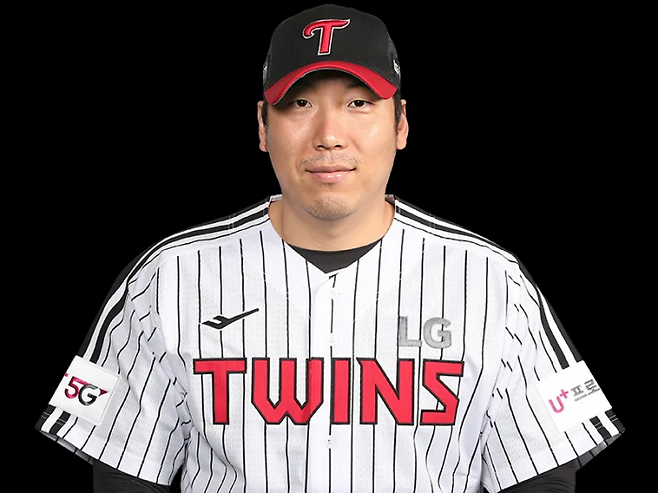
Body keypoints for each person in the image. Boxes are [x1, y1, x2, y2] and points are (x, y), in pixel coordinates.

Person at [36, 4, 624, 492]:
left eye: (358, 102)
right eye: (299, 104)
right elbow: (123, 474)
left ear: (401, 123)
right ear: (262, 126)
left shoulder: (492, 280)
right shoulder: (169, 277)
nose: (328, 135)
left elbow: (544, 476)